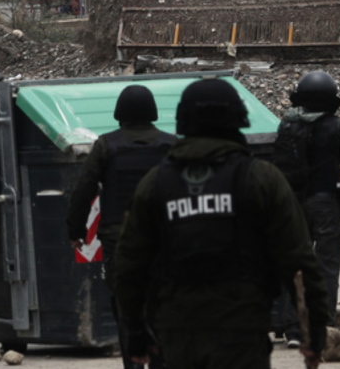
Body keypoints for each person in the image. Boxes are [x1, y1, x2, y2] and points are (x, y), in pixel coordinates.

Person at [115, 77, 329, 369]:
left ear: (183, 121)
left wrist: (136, 335)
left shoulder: (155, 184)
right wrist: (313, 334)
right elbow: (300, 263)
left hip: (175, 338)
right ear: (238, 119)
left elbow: (129, 268)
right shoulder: (262, 179)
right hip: (241, 335)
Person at [65, 85, 176, 369]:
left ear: (119, 113)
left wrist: (76, 231)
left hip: (120, 239)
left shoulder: (107, 145)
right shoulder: (170, 144)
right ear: (152, 112)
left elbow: (84, 189)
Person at [270, 71, 340, 347]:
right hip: (324, 204)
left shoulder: (286, 124)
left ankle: (287, 326)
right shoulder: (335, 125)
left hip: (292, 204)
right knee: (326, 267)